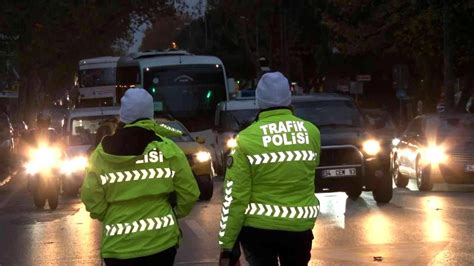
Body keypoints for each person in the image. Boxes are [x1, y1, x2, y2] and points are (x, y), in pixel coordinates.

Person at [81, 88, 200, 265]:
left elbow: (90, 197)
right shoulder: (167, 149)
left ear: (123, 115)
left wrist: (111, 215)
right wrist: (172, 214)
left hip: (118, 249)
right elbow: (190, 193)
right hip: (161, 244)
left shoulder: (101, 153)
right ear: (150, 113)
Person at [218, 72, 321, 266]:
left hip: (258, 232)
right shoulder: (312, 133)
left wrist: (227, 245)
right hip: (299, 228)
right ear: (288, 98)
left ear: (258, 100)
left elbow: (235, 196)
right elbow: (310, 172)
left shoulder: (246, 139)